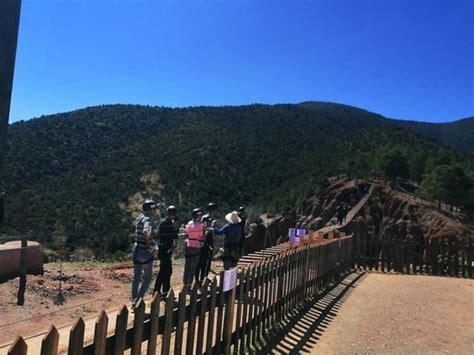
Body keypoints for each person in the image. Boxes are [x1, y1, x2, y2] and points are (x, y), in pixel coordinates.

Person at [131, 199, 158, 308]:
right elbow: (146, 231)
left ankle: (133, 300)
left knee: (136, 276)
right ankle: (138, 300)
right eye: (154, 208)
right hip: (144, 250)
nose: (155, 211)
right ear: (150, 209)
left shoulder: (139, 218)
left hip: (136, 249)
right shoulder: (148, 219)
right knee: (147, 277)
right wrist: (150, 245)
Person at [153, 205, 179, 298]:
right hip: (164, 250)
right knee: (164, 271)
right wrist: (169, 247)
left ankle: (164, 291)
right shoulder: (165, 223)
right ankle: (158, 291)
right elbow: (163, 237)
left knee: (167, 271)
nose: (173, 215)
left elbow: (174, 235)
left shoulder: (170, 222)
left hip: (167, 250)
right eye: (173, 214)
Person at [195, 202, 218, 284]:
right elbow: (203, 230)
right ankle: (198, 280)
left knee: (208, 262)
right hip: (204, 242)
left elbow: (213, 233)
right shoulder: (204, 218)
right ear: (213, 210)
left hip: (210, 242)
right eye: (215, 210)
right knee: (201, 262)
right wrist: (211, 226)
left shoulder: (212, 220)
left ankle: (204, 278)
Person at [183, 208, 205, 286]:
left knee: (187, 265)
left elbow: (186, 232)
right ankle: (189, 284)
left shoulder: (189, 223)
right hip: (196, 246)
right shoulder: (201, 225)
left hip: (188, 245)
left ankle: (185, 283)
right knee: (193, 266)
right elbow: (201, 237)